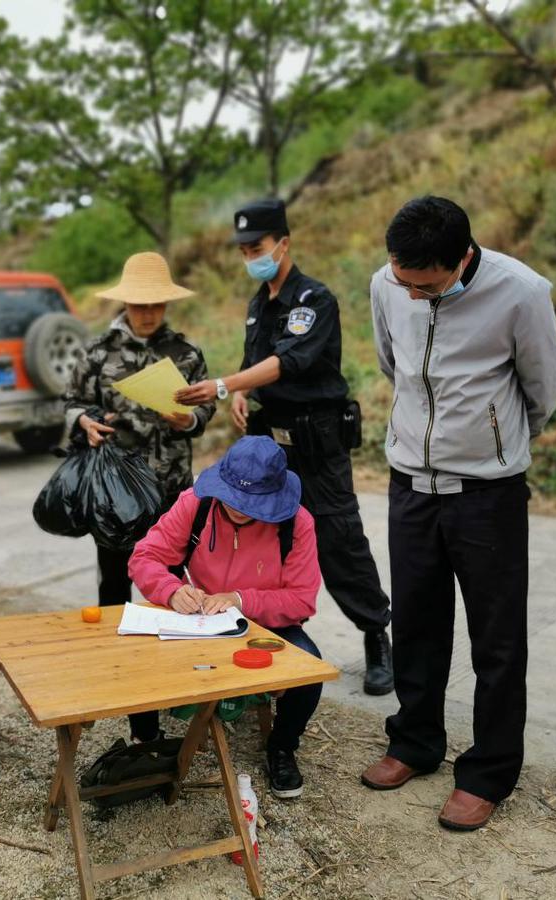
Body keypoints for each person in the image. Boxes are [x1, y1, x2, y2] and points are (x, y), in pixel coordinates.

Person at [359, 196, 556, 831]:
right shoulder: (387, 285)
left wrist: (489, 443)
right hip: (410, 487)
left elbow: (542, 388)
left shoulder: (520, 292)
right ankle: (415, 742)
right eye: (404, 281)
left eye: (427, 284)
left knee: (496, 640)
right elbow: (393, 366)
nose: (413, 295)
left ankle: (489, 770)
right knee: (416, 622)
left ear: (461, 259)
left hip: (487, 496)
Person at [176, 199, 394, 696]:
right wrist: (245, 394)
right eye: (245, 250)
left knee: (338, 537)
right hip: (268, 437)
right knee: (264, 534)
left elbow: (290, 362)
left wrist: (226, 385)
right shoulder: (259, 304)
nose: (251, 255)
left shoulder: (313, 300)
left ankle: (376, 634)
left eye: (257, 247)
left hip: (315, 438)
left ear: (283, 243)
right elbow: (260, 362)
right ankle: (276, 634)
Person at [64, 251, 215, 742]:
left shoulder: (187, 353)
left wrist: (187, 420)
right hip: (115, 492)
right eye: (139, 304)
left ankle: (169, 682)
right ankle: (119, 676)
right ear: (126, 301)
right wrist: (85, 422)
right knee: (114, 584)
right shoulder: (97, 351)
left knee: (172, 586)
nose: (148, 313)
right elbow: (71, 404)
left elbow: (206, 411)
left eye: (156, 304)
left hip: (173, 494)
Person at [129, 435, 324, 798]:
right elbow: (144, 558)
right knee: (136, 654)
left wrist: (238, 600)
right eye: (233, 496)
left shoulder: (297, 524)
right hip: (196, 618)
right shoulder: (196, 505)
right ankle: (146, 740)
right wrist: (171, 591)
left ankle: (282, 746)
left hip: (266, 623)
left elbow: (301, 600)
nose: (238, 507)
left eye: (253, 502)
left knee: (309, 667)